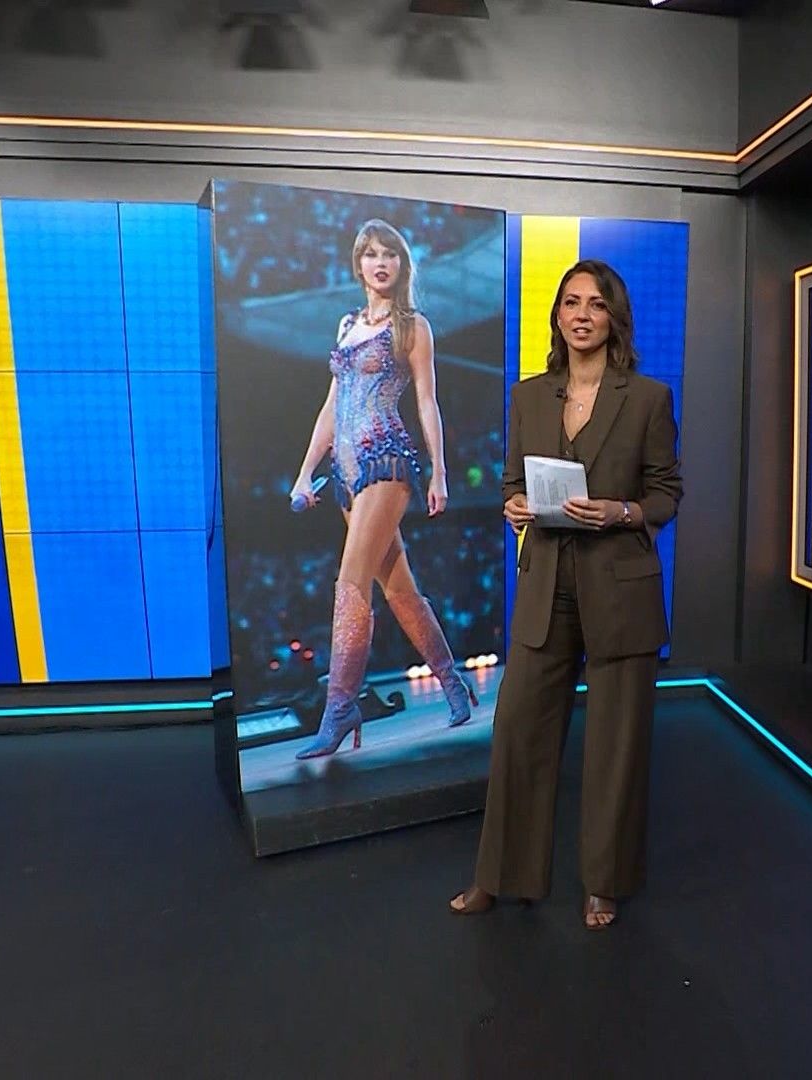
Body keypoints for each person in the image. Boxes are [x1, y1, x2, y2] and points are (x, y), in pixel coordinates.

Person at [449, 259, 681, 930]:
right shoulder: (528, 396)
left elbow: (666, 492)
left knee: (615, 748)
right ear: (557, 315)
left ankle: (604, 883)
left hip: (620, 589)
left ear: (614, 318)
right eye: (572, 302)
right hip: (545, 582)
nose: (582, 314)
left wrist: (622, 513)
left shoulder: (648, 398)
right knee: (518, 733)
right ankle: (501, 876)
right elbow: (509, 481)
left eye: (596, 304)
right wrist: (514, 505)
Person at [287, 219, 477, 759]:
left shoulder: (413, 326)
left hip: (386, 460)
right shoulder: (347, 324)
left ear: (402, 264)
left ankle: (340, 708)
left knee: (350, 583)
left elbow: (426, 402)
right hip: (346, 472)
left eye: (390, 253)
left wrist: (440, 472)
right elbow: (332, 406)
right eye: (371, 254)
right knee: (398, 589)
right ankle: (453, 683)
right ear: (359, 264)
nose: (381, 262)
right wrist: (304, 471)